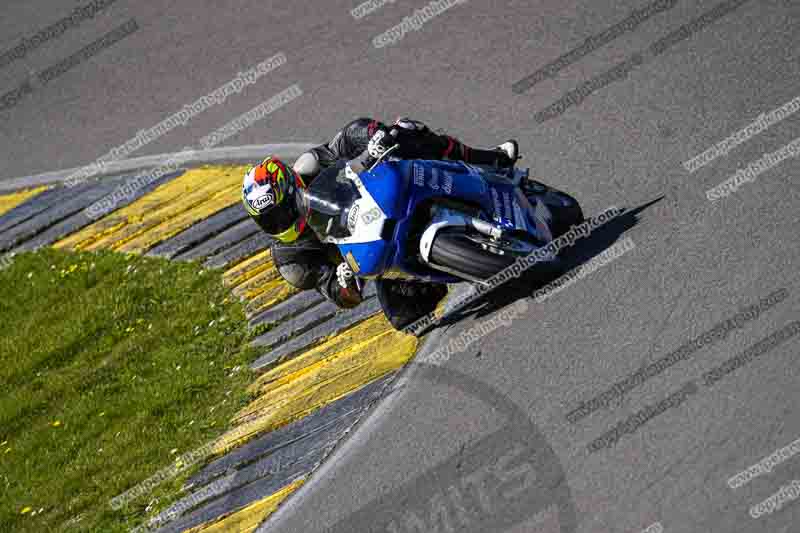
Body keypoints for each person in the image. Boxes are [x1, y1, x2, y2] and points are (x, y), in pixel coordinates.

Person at [241, 117, 519, 330]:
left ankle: (490, 159)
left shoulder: (312, 166)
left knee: (408, 131)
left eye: (282, 211)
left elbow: (347, 139)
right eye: (270, 221)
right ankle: (457, 264)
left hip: (386, 194)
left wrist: (374, 137)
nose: (282, 221)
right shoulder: (291, 257)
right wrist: (345, 283)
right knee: (405, 317)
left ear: (293, 186)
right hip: (374, 250)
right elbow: (340, 296)